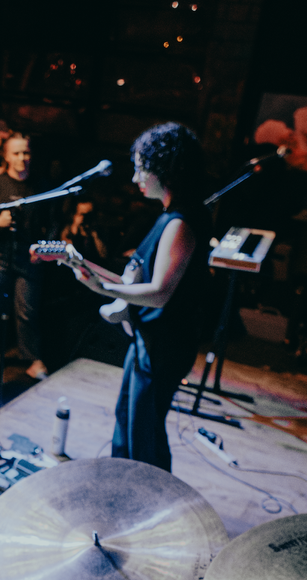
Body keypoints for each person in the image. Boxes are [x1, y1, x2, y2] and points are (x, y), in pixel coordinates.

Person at [64, 121, 208, 471]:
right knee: (128, 421)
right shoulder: (169, 218)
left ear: (164, 169)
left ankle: (151, 497)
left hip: (164, 344)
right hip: (150, 339)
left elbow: (159, 293)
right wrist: (88, 268)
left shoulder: (180, 223)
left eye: (141, 168)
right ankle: (125, 488)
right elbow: (137, 282)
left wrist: (103, 289)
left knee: (144, 434)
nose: (135, 178)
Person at [0, 134, 48, 380]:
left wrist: (42, 248)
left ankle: (31, 357)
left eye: (25, 153)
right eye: (16, 153)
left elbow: (51, 221)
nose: (22, 158)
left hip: (29, 257)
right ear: (6, 157)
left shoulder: (40, 186)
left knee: (27, 309)